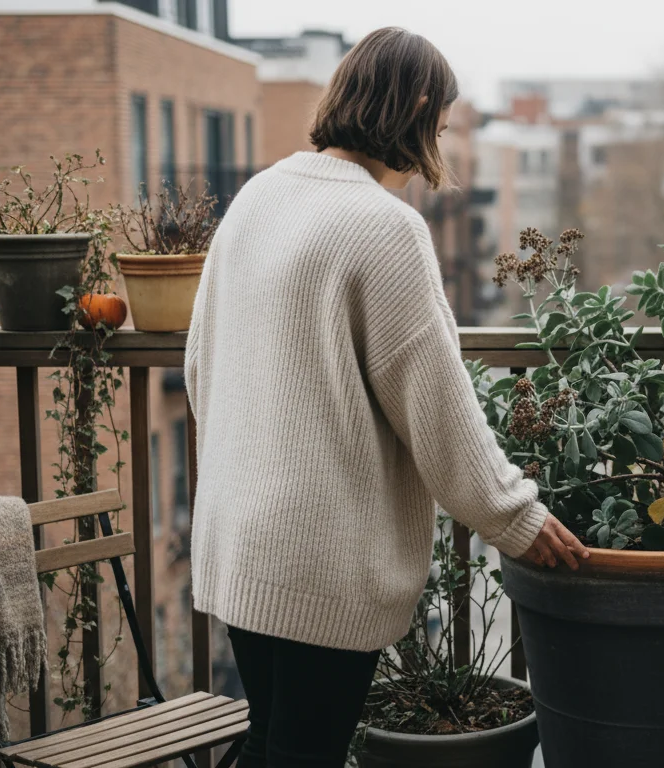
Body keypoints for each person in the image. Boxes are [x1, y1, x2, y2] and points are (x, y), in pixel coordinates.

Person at [183, 27, 589, 768]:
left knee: (273, 741)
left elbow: (199, 363)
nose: (433, 147)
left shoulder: (256, 197)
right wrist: (515, 516)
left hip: (239, 537)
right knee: (306, 753)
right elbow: (436, 406)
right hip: (318, 557)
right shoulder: (383, 227)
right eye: (436, 128)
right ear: (422, 106)